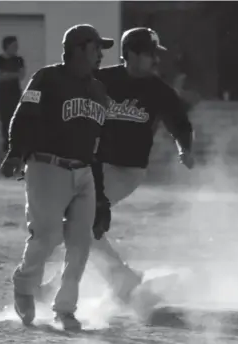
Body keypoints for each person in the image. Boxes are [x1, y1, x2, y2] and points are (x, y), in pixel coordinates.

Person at [39, 27, 195, 307]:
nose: (156, 62)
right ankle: (102, 282)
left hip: (126, 171)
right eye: (150, 55)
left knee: (79, 220)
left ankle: (112, 281)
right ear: (131, 54)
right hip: (93, 167)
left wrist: (185, 148)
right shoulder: (102, 79)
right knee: (78, 223)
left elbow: (180, 123)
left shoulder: (158, 90)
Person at [0, 24, 114, 331]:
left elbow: (98, 147)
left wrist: (101, 197)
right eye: (95, 48)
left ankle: (65, 309)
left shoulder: (98, 90)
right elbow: (23, 115)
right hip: (46, 167)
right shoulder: (47, 78)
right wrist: (15, 152)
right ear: (78, 49)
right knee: (47, 236)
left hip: (84, 172)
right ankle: (25, 285)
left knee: (80, 244)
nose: (101, 55)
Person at [0, 36, 25, 152]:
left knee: (16, 119)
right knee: (5, 120)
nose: (16, 48)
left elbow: (21, 75)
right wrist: (13, 75)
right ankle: (7, 146)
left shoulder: (19, 60)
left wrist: (6, 75)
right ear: (7, 46)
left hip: (15, 93)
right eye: (14, 46)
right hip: (2, 95)